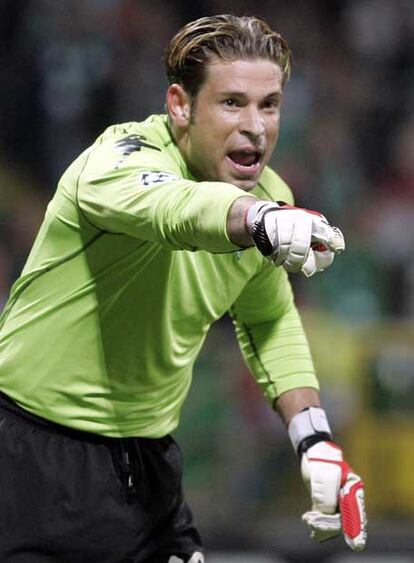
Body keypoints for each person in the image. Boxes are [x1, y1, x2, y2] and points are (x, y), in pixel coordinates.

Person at [0, 14, 366, 563]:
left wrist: (313, 437)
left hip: (148, 469)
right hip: (30, 457)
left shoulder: (271, 196)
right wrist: (258, 219)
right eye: (232, 103)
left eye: (269, 105)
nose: (256, 127)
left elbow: (268, 318)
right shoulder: (114, 163)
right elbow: (176, 210)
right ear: (179, 105)